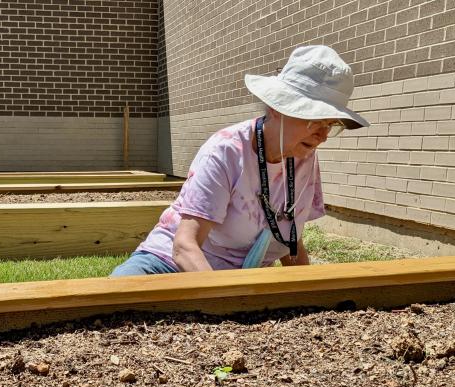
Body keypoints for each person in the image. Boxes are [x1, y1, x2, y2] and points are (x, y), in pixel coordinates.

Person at [111, 45, 368, 276]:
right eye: (315, 119)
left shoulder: (304, 156)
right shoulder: (226, 151)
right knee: (114, 296)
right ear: (278, 107)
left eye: (330, 124)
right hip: (167, 264)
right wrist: (229, 299)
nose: (323, 135)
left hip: (241, 276)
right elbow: (184, 246)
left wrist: (310, 295)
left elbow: (290, 237)